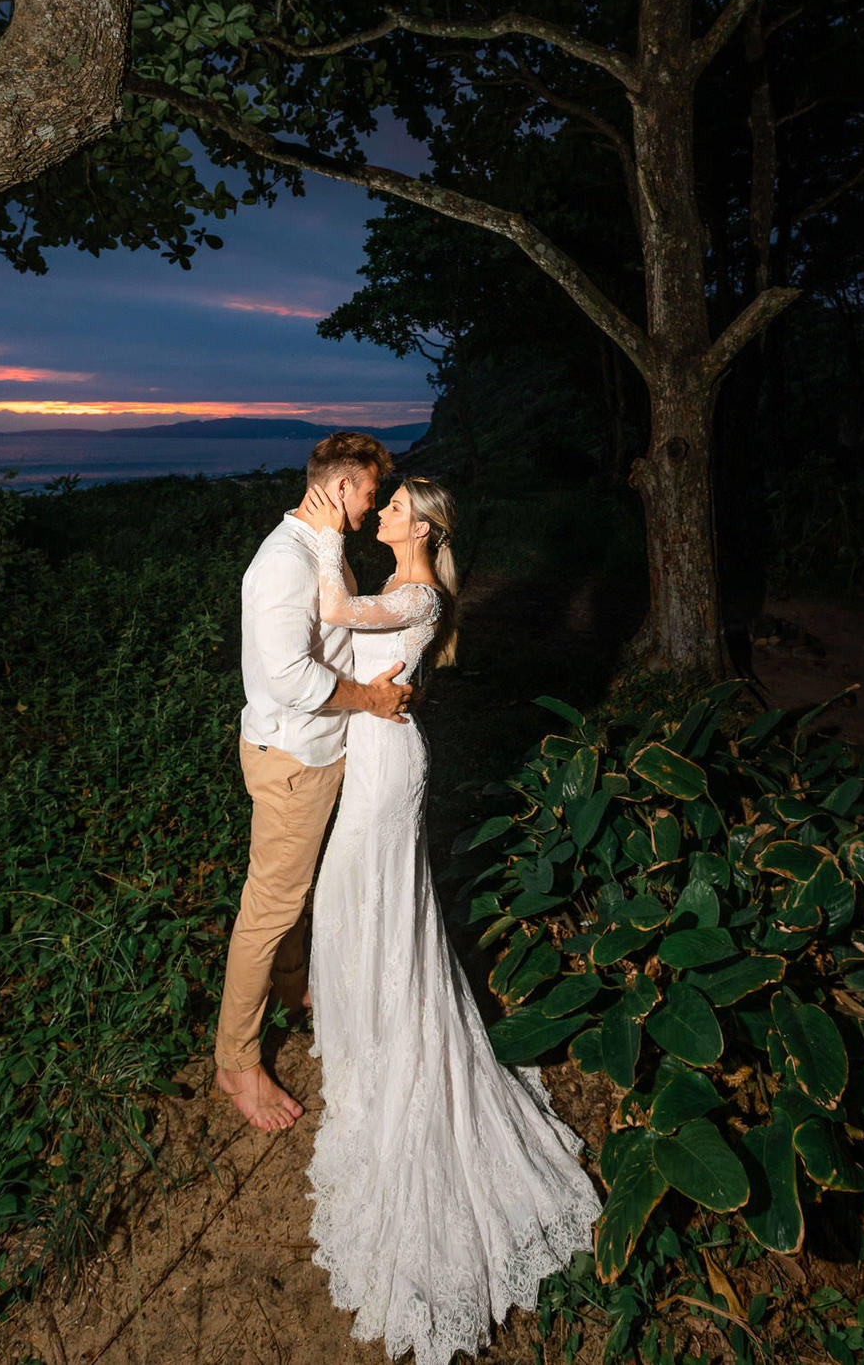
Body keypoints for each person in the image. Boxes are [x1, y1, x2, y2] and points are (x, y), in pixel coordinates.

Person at [299, 474, 601, 1365]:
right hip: (376, 751)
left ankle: (398, 1043)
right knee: (353, 896)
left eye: (394, 506)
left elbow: (336, 611)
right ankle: (367, 1030)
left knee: (377, 898)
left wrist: (323, 533)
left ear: (424, 528)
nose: (383, 510)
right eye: (384, 503)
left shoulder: (419, 593)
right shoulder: (404, 587)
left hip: (389, 765)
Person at [213, 431, 413, 1132]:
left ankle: (293, 990)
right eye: (369, 491)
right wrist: (371, 699)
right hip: (293, 759)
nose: (373, 505)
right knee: (269, 907)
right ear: (339, 485)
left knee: (294, 894)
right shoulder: (283, 562)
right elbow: (292, 680)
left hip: (317, 752)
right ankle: (236, 1061)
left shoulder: (321, 548)